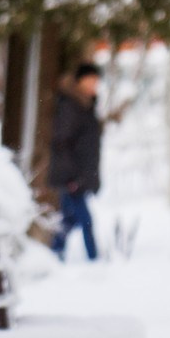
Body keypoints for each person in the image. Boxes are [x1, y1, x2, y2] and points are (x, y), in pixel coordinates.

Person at [48, 62, 105, 261]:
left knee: (69, 220)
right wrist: (70, 177)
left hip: (80, 175)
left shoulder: (86, 106)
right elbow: (62, 144)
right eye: (90, 80)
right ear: (80, 81)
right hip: (72, 177)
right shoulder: (71, 106)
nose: (94, 85)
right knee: (86, 221)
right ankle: (94, 260)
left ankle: (54, 255)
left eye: (96, 81)